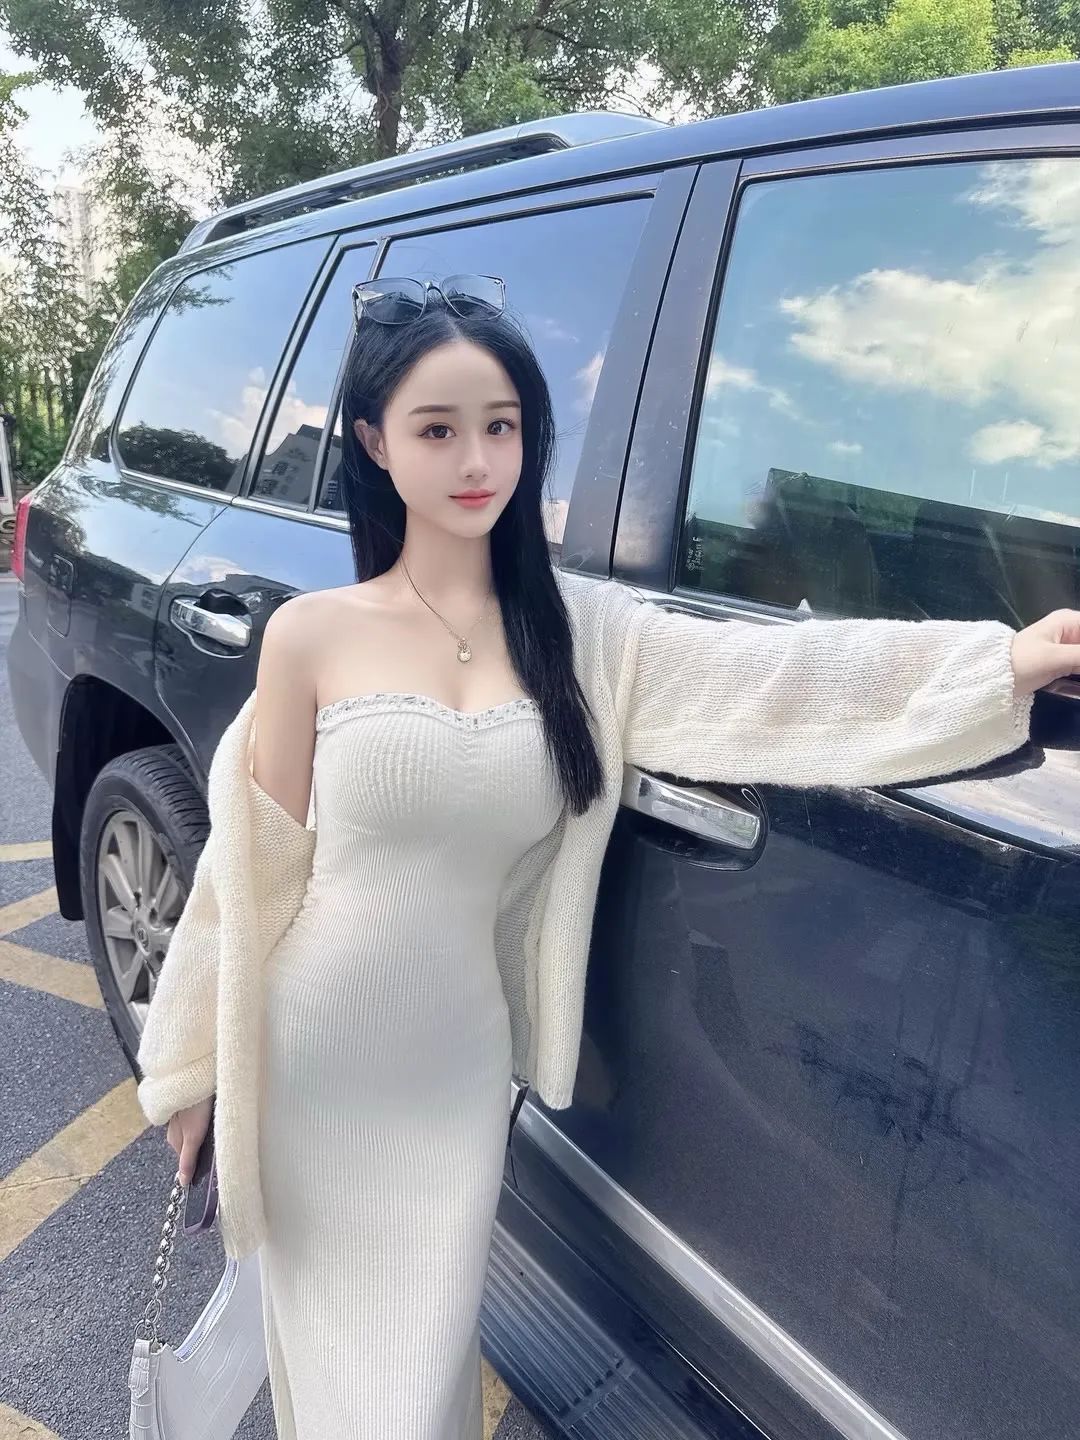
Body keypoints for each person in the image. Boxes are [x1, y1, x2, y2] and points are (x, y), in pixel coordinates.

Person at [149, 274, 1079, 1440]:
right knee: (350, 1395)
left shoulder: (584, 636)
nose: (477, 459)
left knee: (424, 1378)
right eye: (437, 430)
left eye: (501, 426)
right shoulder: (312, 636)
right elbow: (247, 876)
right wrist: (196, 1065)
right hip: (317, 1058)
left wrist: (1001, 665)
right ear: (375, 443)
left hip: (454, 1072)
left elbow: (780, 678)